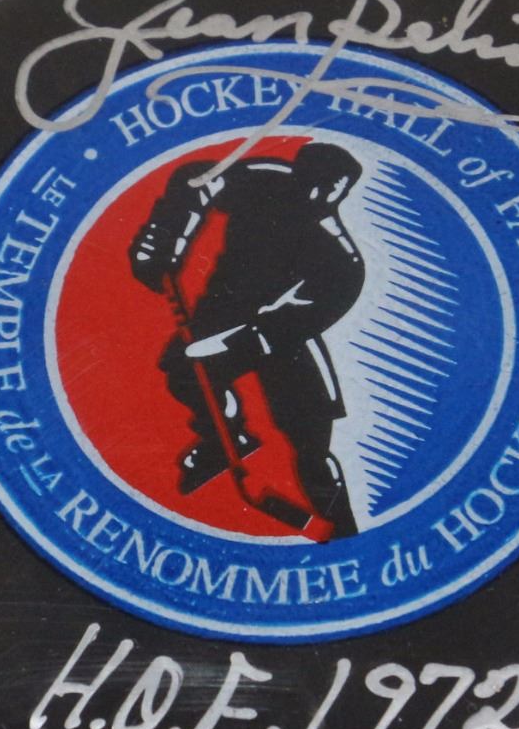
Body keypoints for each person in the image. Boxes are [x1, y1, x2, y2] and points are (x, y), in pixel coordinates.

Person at [129, 141, 365, 538]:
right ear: (297, 173)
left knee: (312, 442)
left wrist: (227, 345)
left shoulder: (342, 262)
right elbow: (196, 181)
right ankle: (225, 439)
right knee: (183, 370)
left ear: (342, 193)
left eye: (330, 190)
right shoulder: (262, 181)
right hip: (224, 307)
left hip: (286, 337)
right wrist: (165, 237)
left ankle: (343, 533)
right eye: (312, 182)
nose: (317, 195)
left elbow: (290, 325)